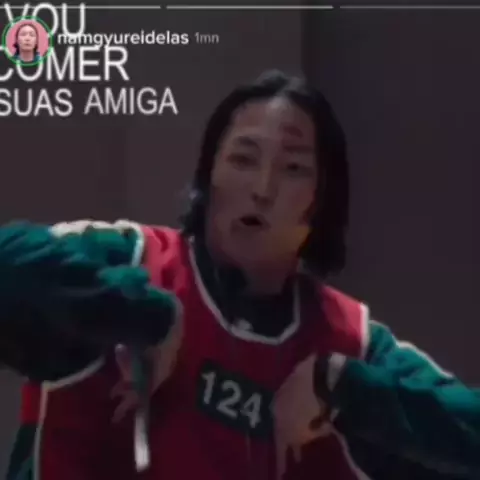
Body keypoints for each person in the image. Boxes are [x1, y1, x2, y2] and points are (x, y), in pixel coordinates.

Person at [1, 70, 480, 480]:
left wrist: (343, 388)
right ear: (207, 177)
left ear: (322, 203)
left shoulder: (353, 343)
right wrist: (143, 317)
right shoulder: (131, 260)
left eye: (294, 168)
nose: (263, 189)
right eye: (243, 159)